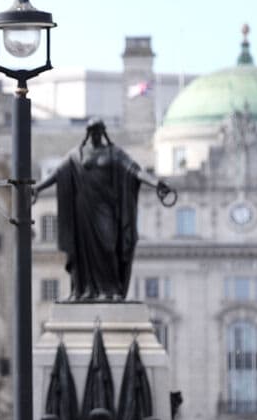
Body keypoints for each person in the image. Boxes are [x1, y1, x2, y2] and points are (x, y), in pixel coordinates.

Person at [33, 120, 171, 300]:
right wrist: (38, 188)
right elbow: (58, 174)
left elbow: (135, 171)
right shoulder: (77, 154)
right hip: (83, 209)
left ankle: (111, 290)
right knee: (83, 251)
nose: (95, 135)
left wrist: (156, 183)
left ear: (104, 133)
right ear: (88, 133)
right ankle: (85, 290)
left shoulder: (115, 153)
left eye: (98, 131)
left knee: (108, 247)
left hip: (106, 208)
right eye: (92, 131)